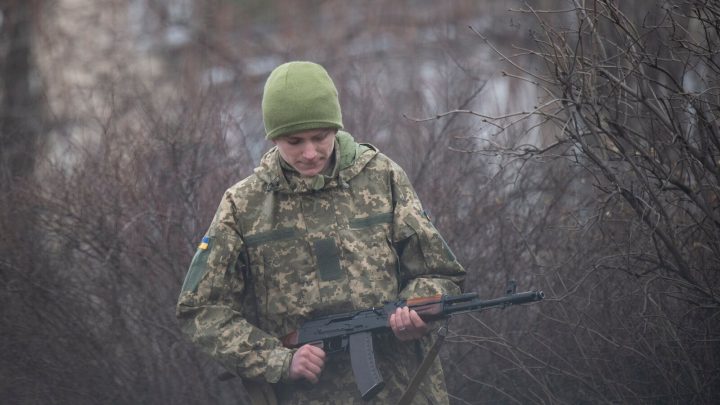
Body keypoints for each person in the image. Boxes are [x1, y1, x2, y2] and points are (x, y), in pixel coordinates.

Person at [176, 61, 466, 404]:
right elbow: (201, 309)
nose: (310, 153)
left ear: (335, 128)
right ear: (272, 137)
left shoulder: (383, 176)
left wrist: (414, 311)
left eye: (320, 137)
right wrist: (278, 359)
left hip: (403, 389)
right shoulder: (243, 205)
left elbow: (440, 271)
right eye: (294, 141)